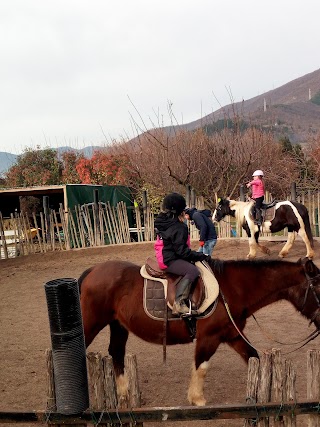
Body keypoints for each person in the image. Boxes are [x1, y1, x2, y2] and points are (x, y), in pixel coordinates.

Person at [154, 192, 209, 316]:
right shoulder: (179, 228)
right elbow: (182, 252)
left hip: (163, 255)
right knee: (193, 271)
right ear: (180, 211)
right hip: (170, 259)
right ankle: (179, 303)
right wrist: (201, 256)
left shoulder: (162, 221)